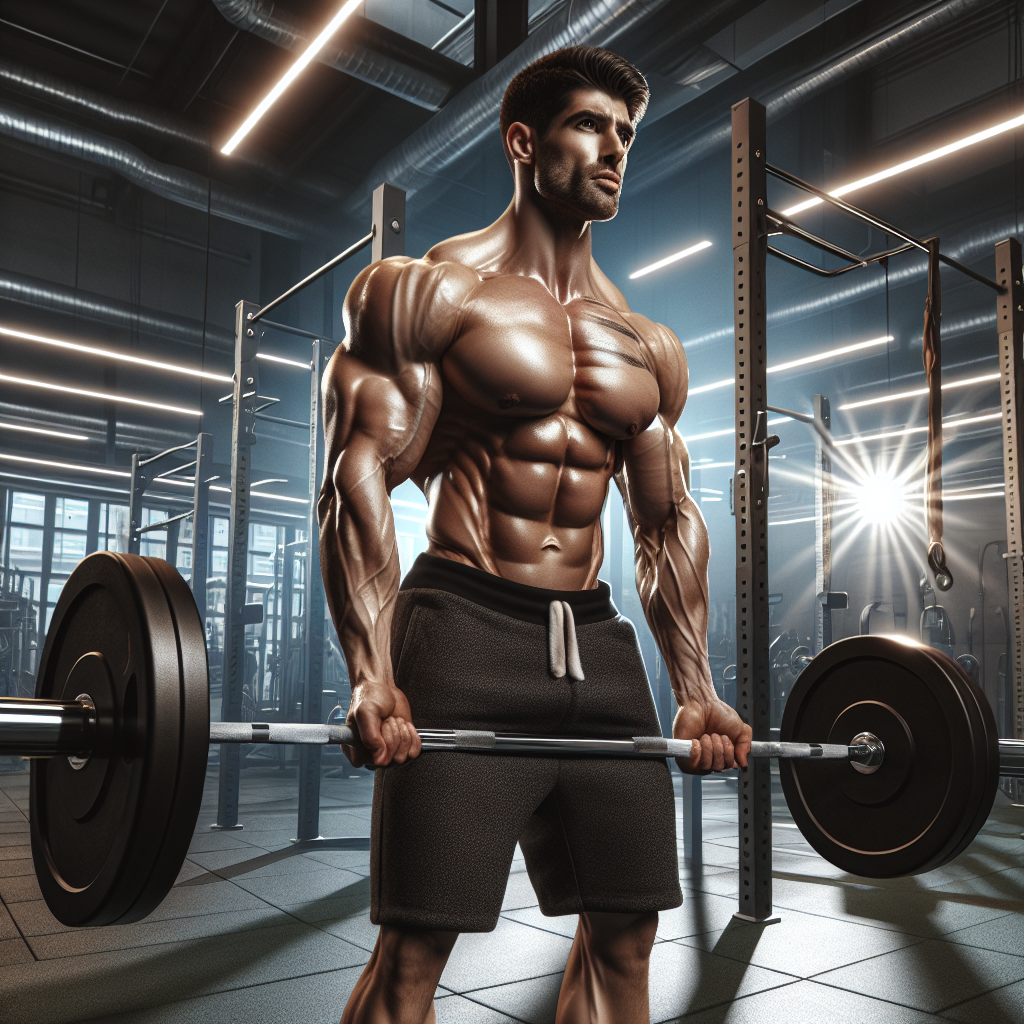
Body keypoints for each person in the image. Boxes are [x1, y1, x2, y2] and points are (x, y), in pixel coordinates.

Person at [318, 46, 752, 1024]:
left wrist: (694, 691)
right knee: (416, 949)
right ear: (524, 140)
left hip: (597, 650)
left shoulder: (645, 345)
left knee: (627, 933)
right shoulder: (428, 292)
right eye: (591, 125)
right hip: (464, 625)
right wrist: (370, 671)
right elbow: (357, 478)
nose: (615, 150)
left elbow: (664, 520)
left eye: (626, 134)